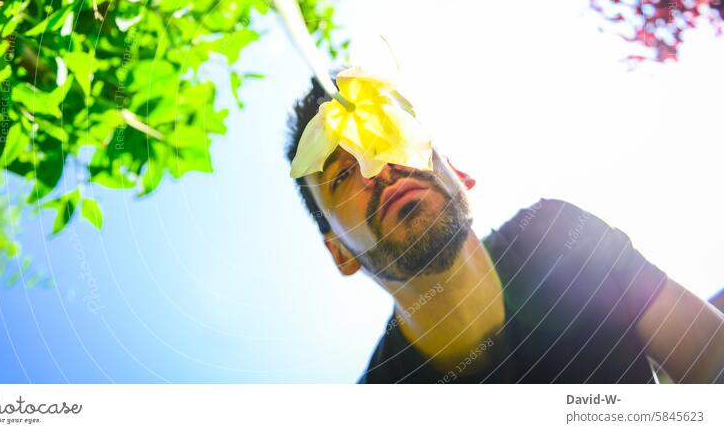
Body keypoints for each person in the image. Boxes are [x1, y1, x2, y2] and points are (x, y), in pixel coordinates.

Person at [285, 77, 724, 383]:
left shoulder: (558, 238)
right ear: (340, 252)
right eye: (342, 175)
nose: (377, 166)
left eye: (393, 139)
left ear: (458, 174)